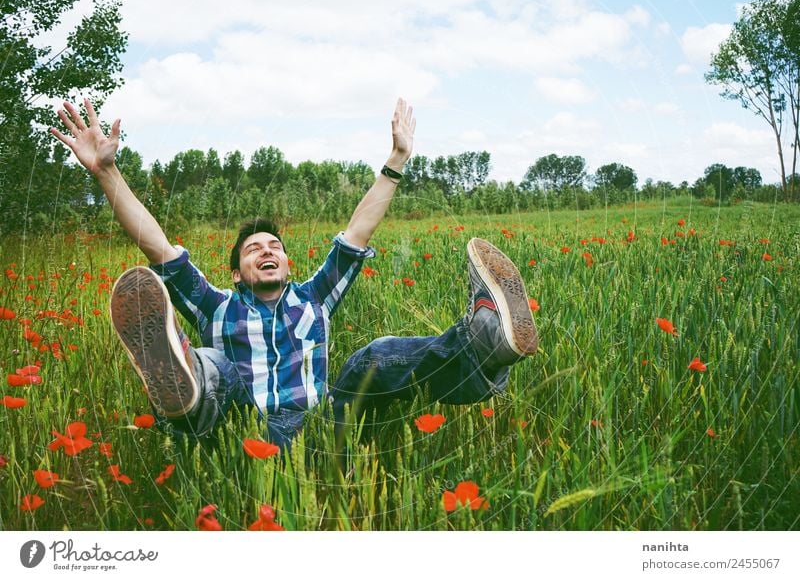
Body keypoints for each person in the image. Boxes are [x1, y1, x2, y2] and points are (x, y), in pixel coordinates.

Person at [50, 98, 538, 451]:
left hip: (327, 422)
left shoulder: (315, 299)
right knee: (215, 369)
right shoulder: (215, 305)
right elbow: (155, 243)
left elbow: (357, 232)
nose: (266, 251)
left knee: (377, 355)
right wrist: (106, 174)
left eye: (274, 247)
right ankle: (185, 384)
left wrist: (396, 161)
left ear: (288, 265)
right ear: (238, 274)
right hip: (248, 425)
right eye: (252, 250)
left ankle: (483, 343)